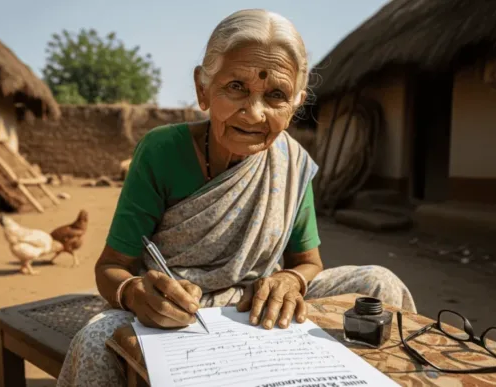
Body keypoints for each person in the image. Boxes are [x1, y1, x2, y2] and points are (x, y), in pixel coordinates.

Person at [56, 9, 416, 387]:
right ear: (202, 89)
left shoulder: (292, 163)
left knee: (379, 284)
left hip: (258, 306)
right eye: (236, 87)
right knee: (96, 341)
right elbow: (110, 266)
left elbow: (309, 262)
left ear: (295, 104)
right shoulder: (161, 151)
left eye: (276, 95)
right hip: (176, 313)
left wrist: (290, 281)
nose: (255, 113)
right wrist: (133, 291)